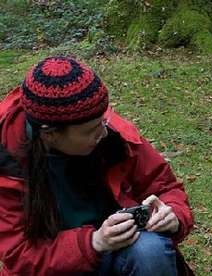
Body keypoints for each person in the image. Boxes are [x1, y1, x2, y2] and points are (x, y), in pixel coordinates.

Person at [0, 56, 194, 275]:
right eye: (91, 130)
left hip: (120, 254)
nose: (103, 133)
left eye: (103, 121)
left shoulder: (105, 128)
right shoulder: (6, 162)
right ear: (49, 134)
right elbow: (20, 253)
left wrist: (173, 215)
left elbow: (164, 186)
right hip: (57, 267)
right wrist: (94, 242)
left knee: (150, 250)